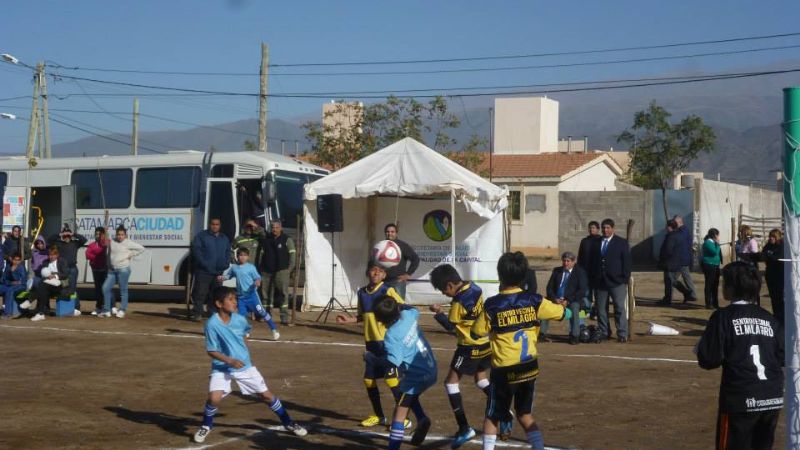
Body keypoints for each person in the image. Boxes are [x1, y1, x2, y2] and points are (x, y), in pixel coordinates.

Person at [472, 251, 568, 450]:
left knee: (493, 416)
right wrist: (566, 309)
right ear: (524, 276)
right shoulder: (534, 300)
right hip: (529, 367)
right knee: (524, 414)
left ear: (500, 276)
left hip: (504, 370)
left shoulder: (493, 305)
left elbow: (476, 332)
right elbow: (561, 314)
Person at [191, 287, 307, 444]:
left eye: (235, 299)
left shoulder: (240, 320)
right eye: (230, 299)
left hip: (244, 366)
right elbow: (211, 350)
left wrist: (240, 353)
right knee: (214, 398)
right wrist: (229, 360)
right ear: (219, 303)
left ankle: (288, 422)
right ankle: (206, 425)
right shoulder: (211, 324)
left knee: (266, 396)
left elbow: (246, 333)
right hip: (221, 366)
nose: (235, 302)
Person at [696, 261, 784, 450]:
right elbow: (783, 355)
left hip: (741, 399)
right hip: (772, 396)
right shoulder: (770, 318)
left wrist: (701, 348)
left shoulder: (723, 317)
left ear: (731, 287)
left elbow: (709, 360)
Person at [335, 263, 411, 429]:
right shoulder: (362, 293)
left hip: (388, 345)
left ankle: (403, 419)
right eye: (373, 269)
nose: (376, 272)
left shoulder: (388, 291)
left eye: (381, 271)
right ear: (367, 272)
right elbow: (362, 316)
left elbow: (404, 311)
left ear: (384, 276)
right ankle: (379, 416)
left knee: (391, 380)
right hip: (371, 345)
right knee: (369, 380)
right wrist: (348, 320)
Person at [428, 264, 496, 447]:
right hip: (485, 343)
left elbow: (451, 327)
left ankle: (464, 427)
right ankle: (499, 405)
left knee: (450, 383)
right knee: (480, 378)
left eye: (444, 289)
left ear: (450, 284)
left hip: (468, 347)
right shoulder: (475, 287)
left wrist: (438, 313)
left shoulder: (457, 303)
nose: (444, 293)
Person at [371, 296, 436, 449]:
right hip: (431, 367)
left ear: (379, 320)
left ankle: (393, 447)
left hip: (418, 376)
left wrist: (374, 359)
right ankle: (422, 419)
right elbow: (413, 309)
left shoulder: (391, 336)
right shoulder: (408, 316)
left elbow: (393, 362)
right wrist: (398, 305)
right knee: (406, 393)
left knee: (399, 412)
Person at [218, 247, 280, 341]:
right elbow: (229, 276)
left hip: (252, 296)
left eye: (245, 255)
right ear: (237, 256)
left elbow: (257, 277)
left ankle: (274, 329)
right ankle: (246, 331)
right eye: (240, 255)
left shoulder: (251, 267)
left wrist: (257, 281)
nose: (242, 257)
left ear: (248, 257)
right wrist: (222, 278)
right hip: (241, 298)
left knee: (262, 312)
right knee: (241, 316)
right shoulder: (234, 268)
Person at [588, 218, 631, 343]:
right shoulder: (596, 242)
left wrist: (624, 278)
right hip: (600, 281)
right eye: (604, 228)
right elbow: (592, 261)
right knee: (601, 309)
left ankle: (622, 333)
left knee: (619, 307)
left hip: (617, 281)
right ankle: (604, 331)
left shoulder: (621, 242)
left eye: (608, 228)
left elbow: (627, 262)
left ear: (613, 228)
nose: (605, 230)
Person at [190, 218, 231, 321]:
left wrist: (225, 264)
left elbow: (228, 252)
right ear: (209, 225)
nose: (215, 226)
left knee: (216, 294)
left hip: (218, 271)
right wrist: (204, 264)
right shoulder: (201, 236)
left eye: (217, 224)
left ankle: (212, 312)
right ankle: (197, 313)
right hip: (204, 271)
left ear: (220, 225)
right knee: (200, 293)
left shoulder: (224, 238)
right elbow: (196, 251)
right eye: (213, 224)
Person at [100, 226, 144, 319]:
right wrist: (105, 231)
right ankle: (107, 310)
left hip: (123, 269)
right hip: (112, 270)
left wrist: (131, 254)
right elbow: (104, 242)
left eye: (122, 235)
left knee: (123, 290)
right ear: (116, 234)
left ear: (125, 235)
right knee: (105, 288)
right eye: (118, 234)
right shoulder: (112, 241)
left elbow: (141, 248)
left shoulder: (128, 243)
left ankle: (122, 309)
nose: (120, 236)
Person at [546, 252, 588, 345]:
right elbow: (549, 288)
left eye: (568, 261)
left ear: (574, 262)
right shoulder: (557, 271)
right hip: (556, 299)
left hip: (571, 300)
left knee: (575, 307)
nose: (566, 263)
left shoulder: (580, 272)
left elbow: (582, 291)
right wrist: (554, 299)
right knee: (543, 305)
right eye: (564, 261)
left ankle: (575, 336)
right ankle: (542, 334)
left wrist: (567, 300)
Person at [260, 220, 296, 325]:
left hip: (282, 271)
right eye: (272, 227)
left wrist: (289, 270)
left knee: (283, 294)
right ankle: (267, 316)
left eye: (276, 227)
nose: (274, 229)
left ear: (281, 228)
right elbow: (261, 255)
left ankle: (284, 317)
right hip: (266, 272)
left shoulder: (287, 239)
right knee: (266, 295)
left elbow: (293, 256)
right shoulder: (266, 240)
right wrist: (260, 268)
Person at [47, 224, 87, 311]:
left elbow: (84, 240)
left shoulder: (75, 243)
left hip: (72, 269)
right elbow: (49, 241)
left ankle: (76, 307)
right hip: (62, 269)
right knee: (63, 288)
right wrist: (59, 234)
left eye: (68, 235)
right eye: (65, 235)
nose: (66, 237)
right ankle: (66, 306)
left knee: (72, 288)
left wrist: (73, 234)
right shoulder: (59, 243)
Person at [30, 246, 74, 321]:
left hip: (61, 286)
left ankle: (32, 303)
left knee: (42, 286)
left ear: (57, 255)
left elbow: (65, 274)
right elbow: (42, 274)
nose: (51, 256)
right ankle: (41, 312)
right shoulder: (45, 263)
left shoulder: (62, 261)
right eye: (50, 255)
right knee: (42, 286)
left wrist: (55, 275)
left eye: (53, 255)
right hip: (49, 286)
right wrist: (46, 276)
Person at [383, 223, 420, 300]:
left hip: (397, 282)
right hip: (383, 282)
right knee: (384, 306)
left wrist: (408, 274)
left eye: (392, 232)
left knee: (399, 305)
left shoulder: (402, 245)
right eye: (387, 231)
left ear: (396, 233)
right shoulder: (382, 245)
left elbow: (415, 259)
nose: (389, 233)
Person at [657, 220, 685, 306]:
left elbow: (668, 250)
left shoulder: (671, 236)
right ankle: (687, 293)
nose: (665, 228)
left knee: (669, 281)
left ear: (670, 227)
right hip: (676, 261)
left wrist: (663, 258)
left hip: (669, 262)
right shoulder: (680, 235)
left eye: (667, 226)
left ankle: (668, 299)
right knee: (673, 281)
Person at [577, 221, 601, 318]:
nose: (592, 229)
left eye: (594, 228)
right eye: (590, 228)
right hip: (585, 272)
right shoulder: (584, 241)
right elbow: (580, 256)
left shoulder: (601, 240)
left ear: (598, 229)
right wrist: (578, 270)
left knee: (598, 294)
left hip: (597, 273)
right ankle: (587, 310)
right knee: (587, 293)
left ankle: (597, 312)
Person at [673, 215, 698, 302]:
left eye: (675, 222)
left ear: (679, 222)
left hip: (682, 259)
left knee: (673, 279)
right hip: (682, 259)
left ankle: (690, 293)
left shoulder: (683, 231)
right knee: (685, 278)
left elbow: (681, 244)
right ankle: (691, 294)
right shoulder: (682, 230)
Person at [762, 229, 784, 325]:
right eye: (770, 236)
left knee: (780, 296)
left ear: (777, 237)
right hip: (770, 273)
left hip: (779, 274)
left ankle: (781, 316)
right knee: (773, 296)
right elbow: (763, 254)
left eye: (773, 236)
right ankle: (776, 315)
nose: (771, 238)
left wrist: (769, 255)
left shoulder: (781, 246)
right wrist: (768, 255)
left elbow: (778, 257)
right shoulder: (768, 245)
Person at [85, 227, 110, 316]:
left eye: (100, 234)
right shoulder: (92, 245)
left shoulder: (106, 244)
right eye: (96, 234)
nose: (98, 236)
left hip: (105, 269)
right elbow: (88, 254)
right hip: (95, 270)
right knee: (98, 289)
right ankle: (98, 307)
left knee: (105, 289)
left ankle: (107, 307)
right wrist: (96, 257)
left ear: (103, 235)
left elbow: (107, 249)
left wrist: (105, 236)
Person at [0, 252, 27, 318]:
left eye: (18, 260)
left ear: (20, 260)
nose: (16, 261)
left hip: (21, 287)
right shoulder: (8, 266)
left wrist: (12, 273)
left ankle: (8, 313)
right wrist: (10, 282)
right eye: (15, 259)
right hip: (9, 285)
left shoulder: (21, 268)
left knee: (10, 290)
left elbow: (22, 281)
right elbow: (3, 279)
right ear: (12, 259)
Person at [701, 228, 722, 310]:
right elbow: (715, 252)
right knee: (709, 284)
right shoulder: (708, 243)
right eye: (717, 235)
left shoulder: (713, 243)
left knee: (715, 284)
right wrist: (718, 245)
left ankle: (715, 303)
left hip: (715, 265)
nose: (718, 237)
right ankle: (708, 303)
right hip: (709, 265)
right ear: (714, 235)